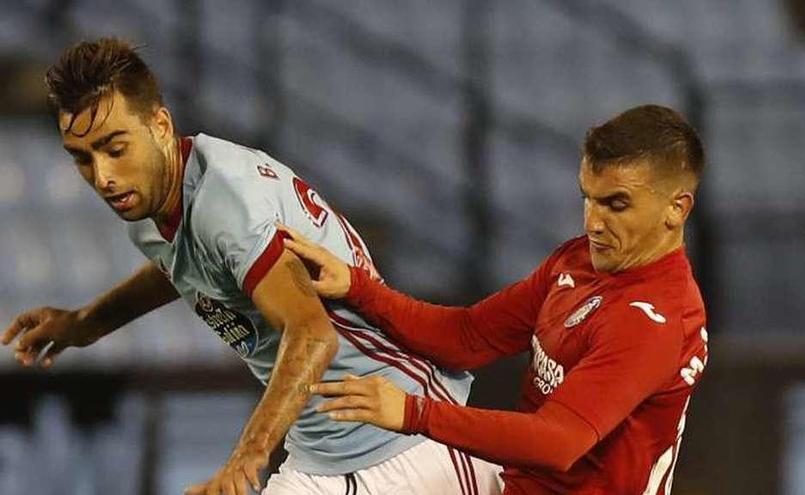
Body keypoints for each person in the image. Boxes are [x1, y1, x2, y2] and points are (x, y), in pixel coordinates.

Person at [0, 38, 501, 495]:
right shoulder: (154, 206)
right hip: (321, 456)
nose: (104, 177)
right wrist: (84, 324)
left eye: (115, 148)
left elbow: (312, 335)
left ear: (160, 125)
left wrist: (247, 456)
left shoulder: (226, 204)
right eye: (82, 158)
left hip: (410, 438)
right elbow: (185, 266)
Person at [279, 104, 710, 494]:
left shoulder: (655, 319)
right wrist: (358, 288)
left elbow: (558, 441)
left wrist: (413, 413)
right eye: (588, 199)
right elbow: (467, 336)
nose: (593, 222)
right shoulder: (577, 262)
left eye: (616, 204)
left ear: (677, 208)